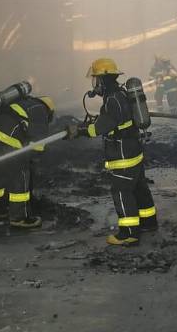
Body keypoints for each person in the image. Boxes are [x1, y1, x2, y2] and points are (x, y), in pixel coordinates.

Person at [65, 57, 158, 246]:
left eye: (96, 79)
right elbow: (115, 120)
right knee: (139, 187)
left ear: (102, 79)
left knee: (122, 191)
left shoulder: (112, 100)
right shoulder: (121, 94)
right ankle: (149, 223)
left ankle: (129, 233)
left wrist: (80, 131)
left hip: (123, 154)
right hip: (133, 150)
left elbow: (99, 128)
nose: (95, 84)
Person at [0, 86, 55, 230]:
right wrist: (32, 159)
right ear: (49, 109)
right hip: (6, 136)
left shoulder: (23, 104)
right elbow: (38, 142)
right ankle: (19, 218)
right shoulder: (40, 109)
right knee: (20, 173)